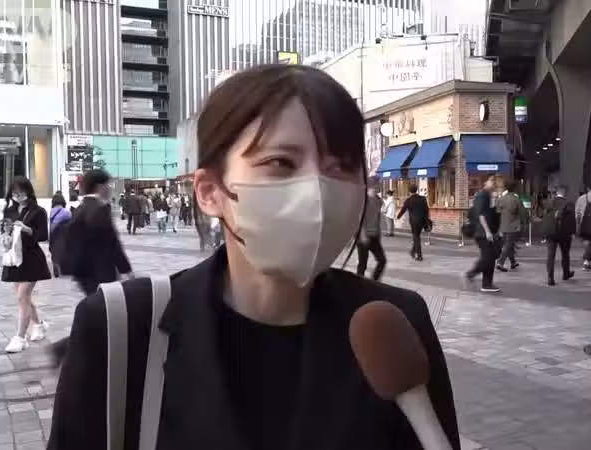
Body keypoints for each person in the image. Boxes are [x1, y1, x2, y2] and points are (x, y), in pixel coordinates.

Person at [48, 64, 460, 450]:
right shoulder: (122, 328)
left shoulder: (394, 327)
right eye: (280, 163)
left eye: (341, 166)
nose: (316, 189)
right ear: (210, 192)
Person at [49, 170, 134, 368]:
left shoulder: (81, 208)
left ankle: (79, 351)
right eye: (108, 184)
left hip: (84, 273)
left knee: (102, 314)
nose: (110, 188)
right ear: (99, 186)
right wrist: (127, 270)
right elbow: (112, 243)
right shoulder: (99, 209)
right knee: (105, 315)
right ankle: (65, 348)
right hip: (100, 273)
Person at [0, 177, 51, 353]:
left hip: (32, 259)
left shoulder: (38, 211)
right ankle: (39, 324)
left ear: (28, 191)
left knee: (22, 296)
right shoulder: (9, 211)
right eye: (14, 193)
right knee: (23, 298)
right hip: (15, 258)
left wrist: (26, 229)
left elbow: (43, 235)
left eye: (21, 192)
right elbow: (4, 232)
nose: (18, 196)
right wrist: (5, 236)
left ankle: (20, 338)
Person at [465, 175, 501, 293]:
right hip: (482, 232)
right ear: (486, 182)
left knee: (491, 257)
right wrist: (487, 231)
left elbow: (492, 214)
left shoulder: (489, 196)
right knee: (488, 257)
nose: (494, 185)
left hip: (487, 232)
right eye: (492, 182)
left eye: (496, 183)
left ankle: (487, 284)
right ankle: (472, 273)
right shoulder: (482, 195)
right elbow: (481, 215)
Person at [543, 185, 576, 286]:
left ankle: (550, 277)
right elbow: (571, 220)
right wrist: (573, 232)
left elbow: (545, 217)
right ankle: (566, 273)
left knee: (550, 255)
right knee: (565, 254)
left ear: (556, 192)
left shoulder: (548, 202)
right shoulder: (569, 203)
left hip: (550, 232)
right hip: (564, 233)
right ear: (565, 192)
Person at [357, 185, 387, 280]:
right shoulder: (363, 200)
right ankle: (358, 283)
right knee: (363, 264)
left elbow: (378, 217)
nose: (376, 187)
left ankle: (374, 280)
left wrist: (378, 233)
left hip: (374, 236)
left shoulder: (378, 200)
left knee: (382, 260)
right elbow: (359, 219)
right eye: (374, 185)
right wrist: (362, 235)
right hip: (364, 236)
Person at [496, 179, 526, 272]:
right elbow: (522, 212)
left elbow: (498, 211)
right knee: (509, 244)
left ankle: (513, 262)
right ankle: (500, 262)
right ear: (515, 188)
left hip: (502, 225)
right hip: (513, 225)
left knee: (509, 244)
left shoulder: (501, 199)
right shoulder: (516, 199)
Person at [396, 184, 430, 261]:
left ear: (409, 191)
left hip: (414, 222)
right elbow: (426, 210)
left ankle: (419, 256)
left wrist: (398, 217)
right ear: (416, 190)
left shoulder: (408, 200)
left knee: (416, 237)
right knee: (417, 236)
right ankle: (412, 251)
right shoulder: (423, 199)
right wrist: (427, 220)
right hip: (422, 221)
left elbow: (403, 210)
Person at [575, 182, 591, 271]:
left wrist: (577, 224)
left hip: (584, 224)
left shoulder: (581, 198)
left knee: (587, 242)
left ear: (588, 188)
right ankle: (588, 260)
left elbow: (577, 213)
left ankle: (586, 260)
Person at [49, 192, 72, 277]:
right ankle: (64, 268)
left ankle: (55, 263)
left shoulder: (51, 212)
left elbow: (51, 224)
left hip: (53, 234)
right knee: (64, 250)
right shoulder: (66, 212)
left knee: (54, 251)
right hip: (63, 235)